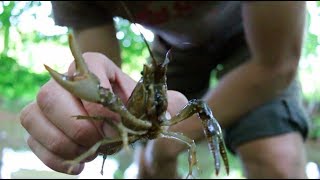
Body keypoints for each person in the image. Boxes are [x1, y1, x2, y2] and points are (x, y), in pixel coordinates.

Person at [20, 1, 310, 179]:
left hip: (253, 37)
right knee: (148, 167)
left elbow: (276, 66)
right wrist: (91, 116)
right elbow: (102, 83)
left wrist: (166, 146)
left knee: (277, 158)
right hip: (174, 50)